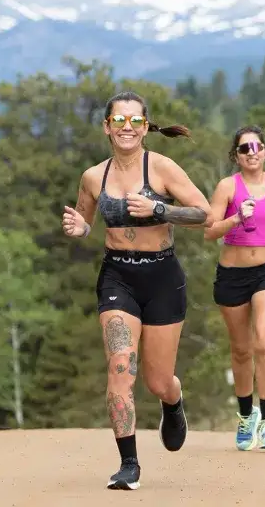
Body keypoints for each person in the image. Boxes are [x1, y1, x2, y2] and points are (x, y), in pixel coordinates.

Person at [61, 90, 213, 491]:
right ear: (106, 127)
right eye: (118, 121)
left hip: (163, 279)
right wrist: (80, 229)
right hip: (118, 278)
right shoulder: (94, 177)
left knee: (157, 381)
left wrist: (160, 209)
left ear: (145, 127)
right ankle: (128, 464)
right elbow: (85, 219)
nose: (126, 128)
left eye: (134, 121)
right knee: (120, 365)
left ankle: (173, 401)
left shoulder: (161, 168)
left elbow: (204, 213)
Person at [204, 126, 265, 451]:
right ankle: (247, 415)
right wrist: (234, 219)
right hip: (232, 275)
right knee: (241, 349)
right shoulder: (227, 187)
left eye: (256, 146)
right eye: (244, 148)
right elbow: (209, 231)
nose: (251, 152)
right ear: (236, 155)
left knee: (264, 339)